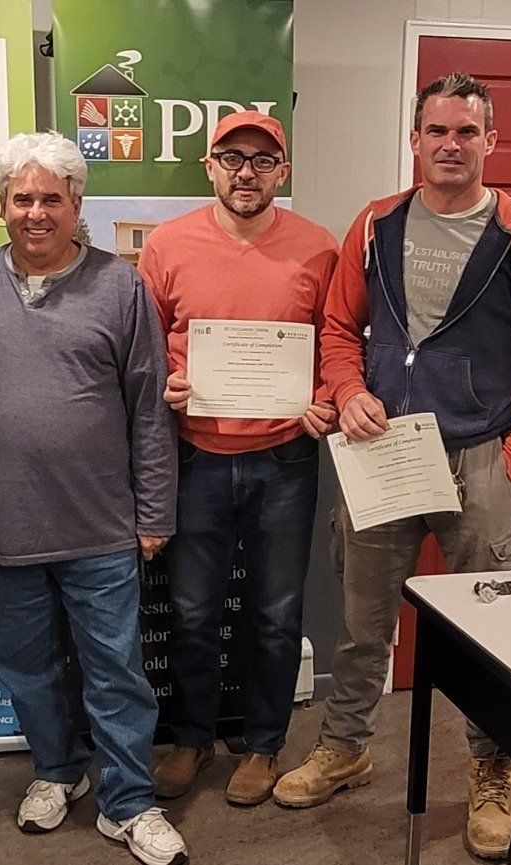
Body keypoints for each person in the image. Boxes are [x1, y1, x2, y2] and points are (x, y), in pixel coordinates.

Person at [273, 72, 511, 860]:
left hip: (482, 454)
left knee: (491, 623)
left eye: (466, 132)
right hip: (384, 453)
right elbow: (341, 326)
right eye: (437, 131)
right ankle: (345, 745)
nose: (451, 145)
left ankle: (492, 768)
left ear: (490, 142)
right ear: (415, 140)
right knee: (363, 620)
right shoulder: (375, 227)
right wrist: (344, 392)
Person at [0, 132, 186, 865]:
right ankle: (57, 771)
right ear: (1, 205)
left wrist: (154, 513)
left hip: (101, 526)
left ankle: (130, 799)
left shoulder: (120, 287)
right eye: (21, 198)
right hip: (8, 523)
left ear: (76, 203)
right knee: (25, 666)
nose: (35, 212)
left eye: (50, 198)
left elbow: (150, 406)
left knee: (117, 670)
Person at [137, 110, 338, 805]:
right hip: (196, 455)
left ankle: (262, 744)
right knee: (193, 610)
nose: (245, 171)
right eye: (232, 157)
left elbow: (335, 339)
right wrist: (166, 378)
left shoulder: (318, 247)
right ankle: (191, 738)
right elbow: (149, 338)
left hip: (286, 457)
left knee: (277, 611)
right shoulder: (167, 244)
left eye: (261, 159)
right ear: (210, 167)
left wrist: (323, 397)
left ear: (281, 170)